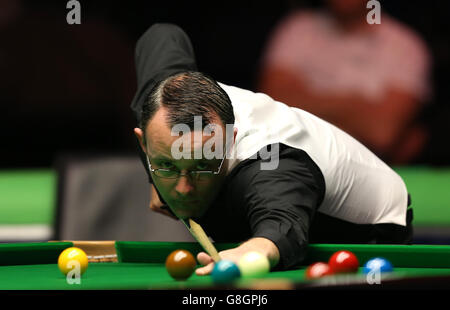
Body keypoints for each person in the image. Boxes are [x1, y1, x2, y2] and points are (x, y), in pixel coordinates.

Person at [131, 23, 413, 275]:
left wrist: (253, 252)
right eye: (167, 164)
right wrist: (157, 173)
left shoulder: (271, 161)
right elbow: (163, 34)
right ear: (144, 141)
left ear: (230, 141)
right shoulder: (162, 99)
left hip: (364, 227)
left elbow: (282, 224)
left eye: (201, 166)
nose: (182, 189)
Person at [258, 0, 432, 165]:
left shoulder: (404, 45)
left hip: (369, 174)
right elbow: (270, 107)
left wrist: (305, 101)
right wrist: (357, 105)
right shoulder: (297, 29)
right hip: (287, 164)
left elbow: (381, 132)